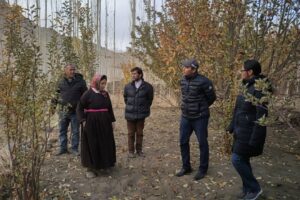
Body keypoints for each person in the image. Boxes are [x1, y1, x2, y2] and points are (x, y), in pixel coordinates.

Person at [227, 59, 271, 200]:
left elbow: (262, 116)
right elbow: (238, 109)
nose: (240, 72)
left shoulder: (259, 89)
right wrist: (232, 126)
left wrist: (256, 139)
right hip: (240, 130)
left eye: (242, 69)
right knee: (243, 160)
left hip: (249, 133)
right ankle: (248, 190)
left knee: (237, 159)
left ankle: (255, 188)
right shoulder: (246, 86)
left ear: (250, 72)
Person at [175, 58, 216, 181]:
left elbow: (212, 98)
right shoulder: (182, 80)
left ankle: (203, 169)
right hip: (186, 117)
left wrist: (200, 108)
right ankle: (186, 167)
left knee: (202, 143)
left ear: (194, 69)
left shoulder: (204, 81)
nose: (184, 69)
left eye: (186, 67)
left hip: (200, 118)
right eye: (184, 66)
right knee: (183, 141)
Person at [76, 74, 116, 178]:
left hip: (105, 123)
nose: (103, 86)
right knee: (92, 144)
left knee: (105, 143)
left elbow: (109, 108)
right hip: (91, 124)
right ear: (96, 82)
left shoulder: (105, 94)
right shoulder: (88, 94)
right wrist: (83, 120)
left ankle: (105, 165)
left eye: (105, 83)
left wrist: (112, 121)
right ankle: (91, 168)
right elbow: (79, 108)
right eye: (102, 83)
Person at [51, 64, 87, 156]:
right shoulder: (60, 82)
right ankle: (63, 148)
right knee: (62, 130)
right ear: (65, 71)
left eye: (73, 70)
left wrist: (85, 109)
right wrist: (52, 108)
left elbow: (85, 96)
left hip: (76, 111)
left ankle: (74, 149)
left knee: (75, 131)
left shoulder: (81, 82)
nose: (72, 71)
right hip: (63, 111)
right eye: (70, 70)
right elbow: (55, 95)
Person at [123, 67, 154, 158]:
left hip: (141, 114)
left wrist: (143, 108)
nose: (133, 75)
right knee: (130, 133)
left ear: (140, 74)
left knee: (140, 133)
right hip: (130, 114)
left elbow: (150, 100)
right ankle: (131, 151)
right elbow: (125, 98)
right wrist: (131, 107)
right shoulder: (127, 86)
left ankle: (139, 151)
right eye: (132, 74)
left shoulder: (148, 87)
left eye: (135, 74)